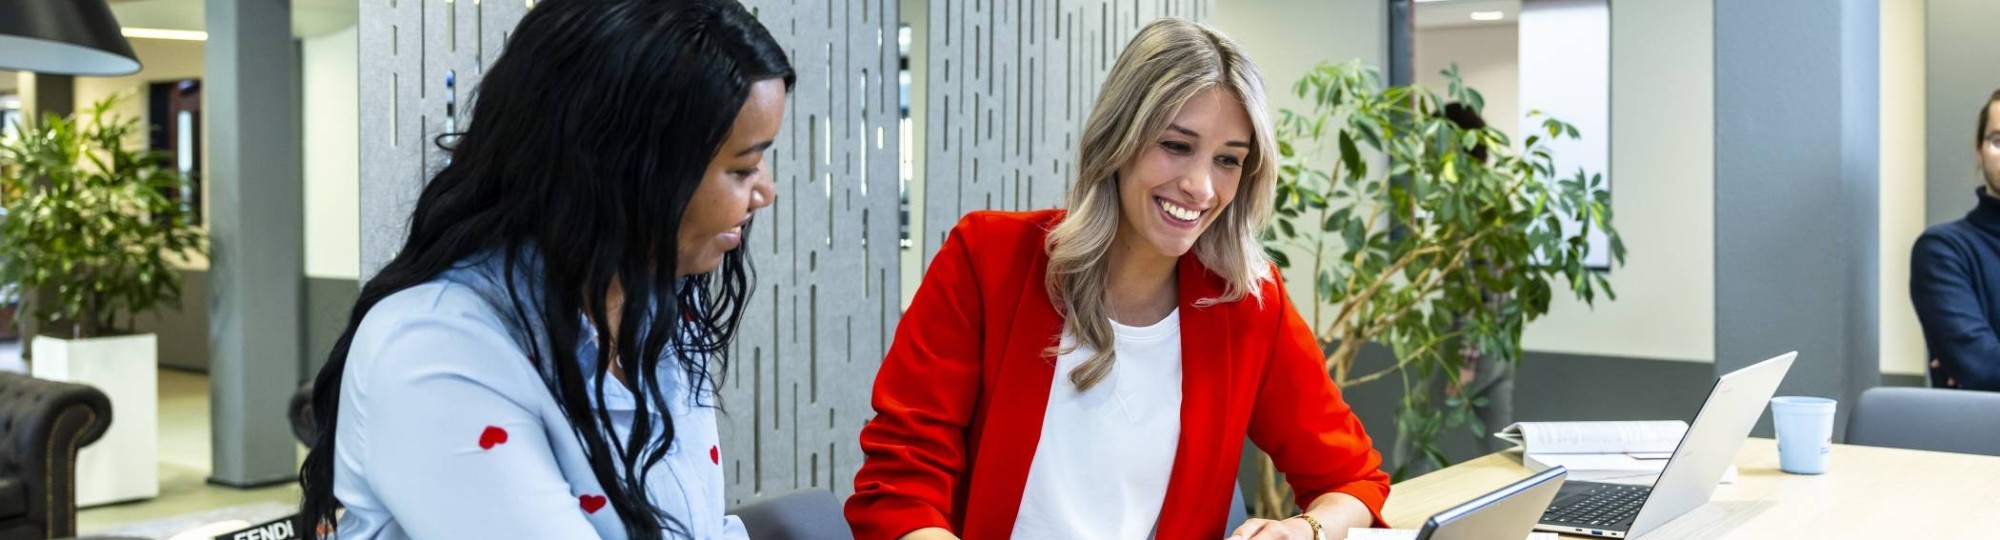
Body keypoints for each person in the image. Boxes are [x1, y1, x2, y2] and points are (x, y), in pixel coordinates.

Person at [845, 18, 1390, 540]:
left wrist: (1305, 528)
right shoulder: (988, 258)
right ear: (1118, 137)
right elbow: (898, 486)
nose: (1201, 187)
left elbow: (1353, 480)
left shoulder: (1246, 301)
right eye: (1176, 146)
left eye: (1228, 160)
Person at [295, 0, 793, 538]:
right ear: (619, 166)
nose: (766, 191)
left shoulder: (651, 308)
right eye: (743, 167)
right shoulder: (435, 347)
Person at [1913, 87, 2000, 391]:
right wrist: (1978, 366)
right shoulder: (1943, 250)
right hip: (1980, 436)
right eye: (1998, 141)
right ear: (1979, 150)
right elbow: (1982, 368)